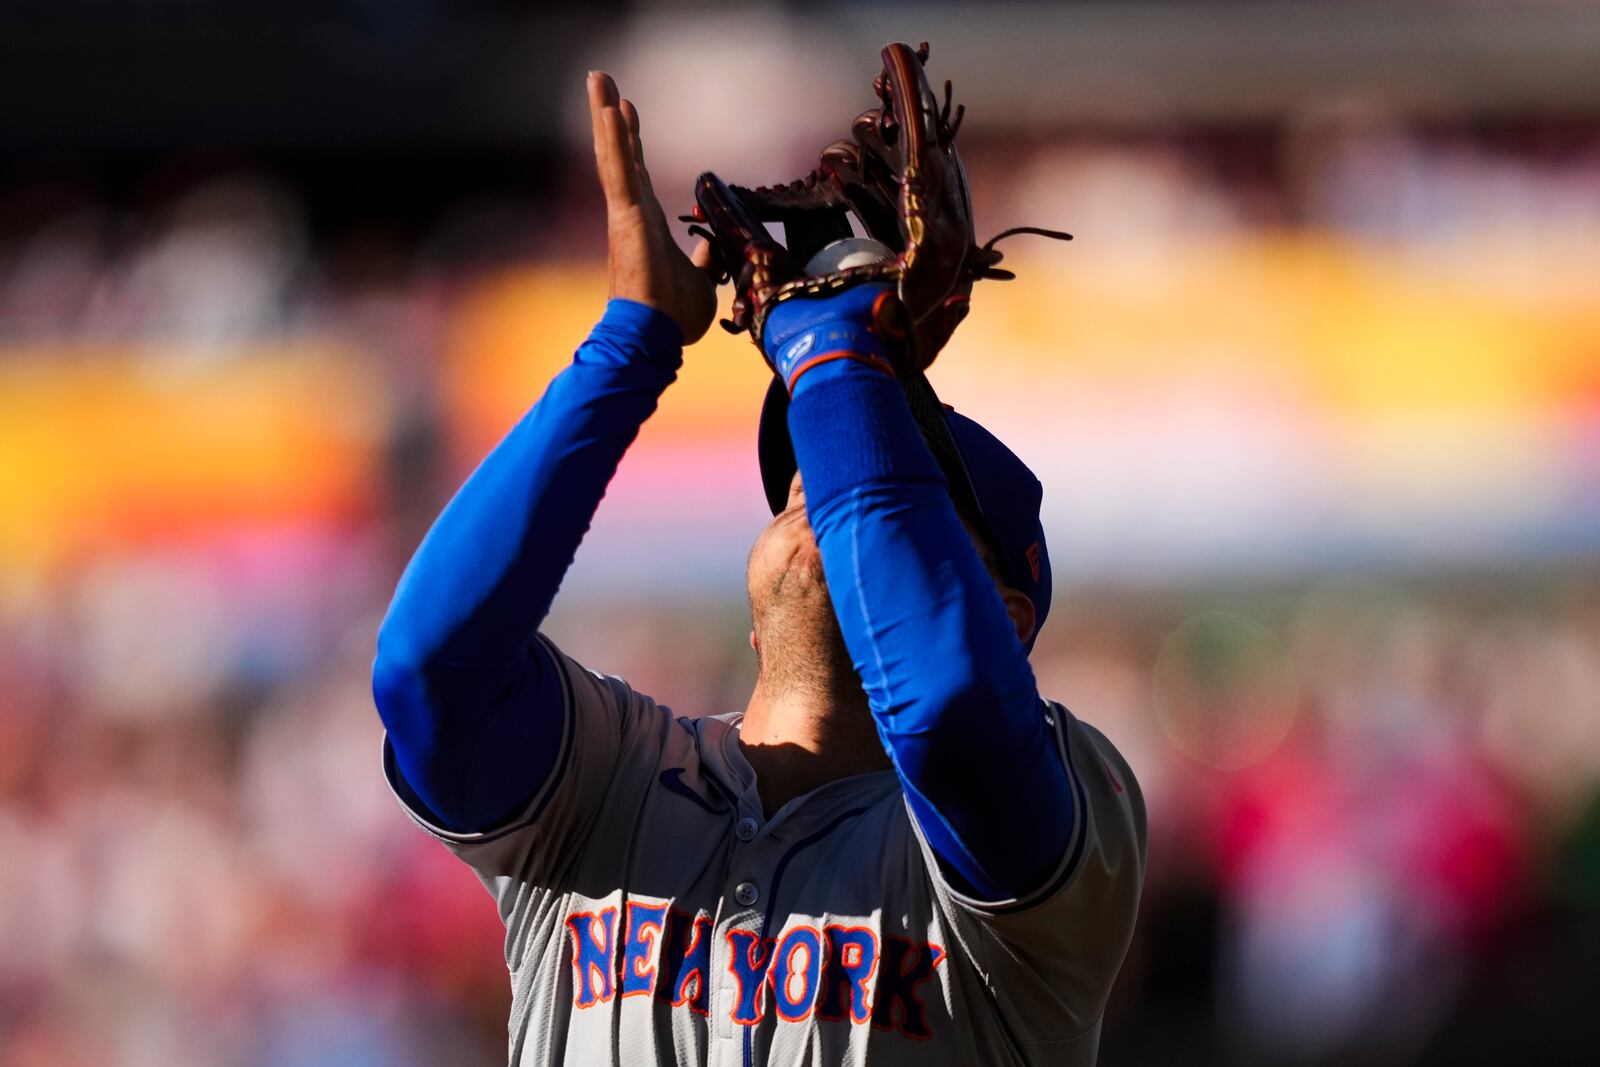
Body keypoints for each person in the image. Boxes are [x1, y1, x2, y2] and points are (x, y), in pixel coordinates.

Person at [372, 71, 1146, 1066]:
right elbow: (428, 669)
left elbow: (950, 709)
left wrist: (835, 353)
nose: (823, 485)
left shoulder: (1053, 823)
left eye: (891, 479)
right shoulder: (609, 783)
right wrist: (630, 342)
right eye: (802, 478)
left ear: (997, 610)